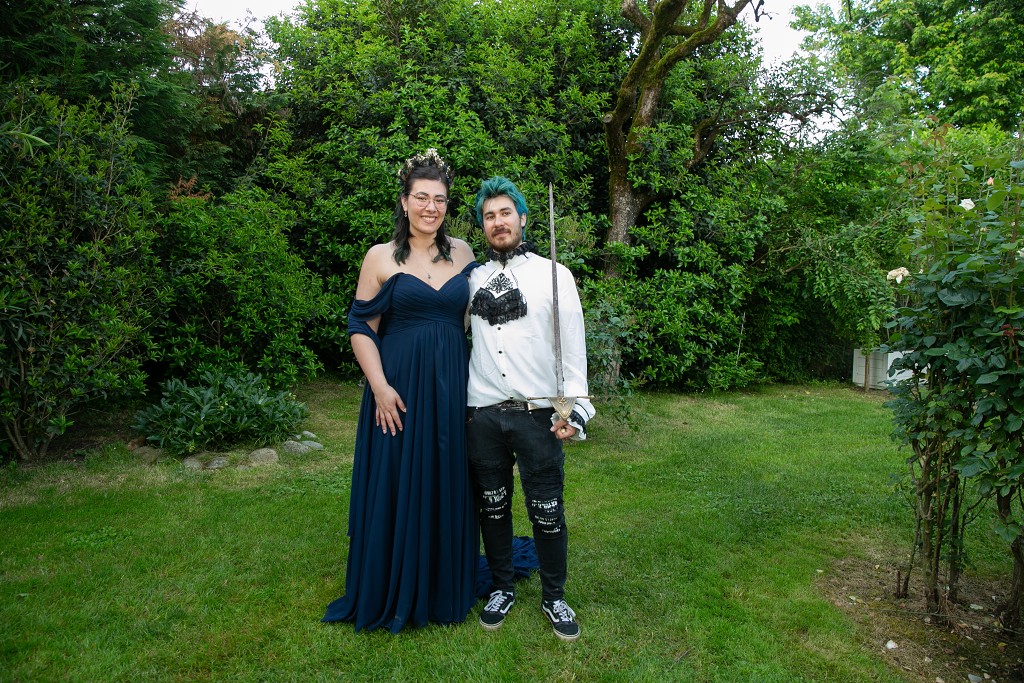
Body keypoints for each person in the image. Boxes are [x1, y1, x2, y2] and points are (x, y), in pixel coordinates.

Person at [322, 149, 479, 633]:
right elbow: (360, 326)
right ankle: (391, 582)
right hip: (398, 390)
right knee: (395, 479)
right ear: (405, 201)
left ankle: (441, 584)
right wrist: (380, 387)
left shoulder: (465, 254)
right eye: (422, 198)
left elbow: (480, 321)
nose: (431, 207)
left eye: (440, 199)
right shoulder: (380, 256)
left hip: (452, 386)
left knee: (447, 475)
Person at [466, 176, 595, 642]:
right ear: (482, 225)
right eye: (489, 216)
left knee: (546, 508)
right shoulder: (472, 279)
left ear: (522, 218)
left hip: (537, 414)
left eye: (505, 213)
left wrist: (575, 410)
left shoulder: (554, 275)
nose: (498, 222)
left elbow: (572, 349)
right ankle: (502, 587)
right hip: (483, 413)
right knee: (493, 507)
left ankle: (554, 595)